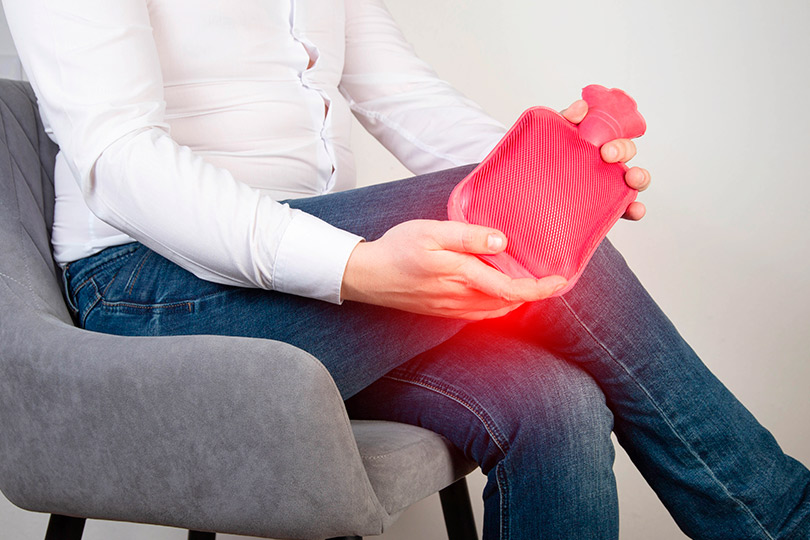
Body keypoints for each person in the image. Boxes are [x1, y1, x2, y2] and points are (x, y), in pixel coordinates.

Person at [4, 0, 809, 538]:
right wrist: (353, 267)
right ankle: (778, 518)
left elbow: (403, 96)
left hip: (304, 290)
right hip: (147, 289)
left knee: (554, 402)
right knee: (514, 231)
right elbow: (119, 157)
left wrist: (553, 175)